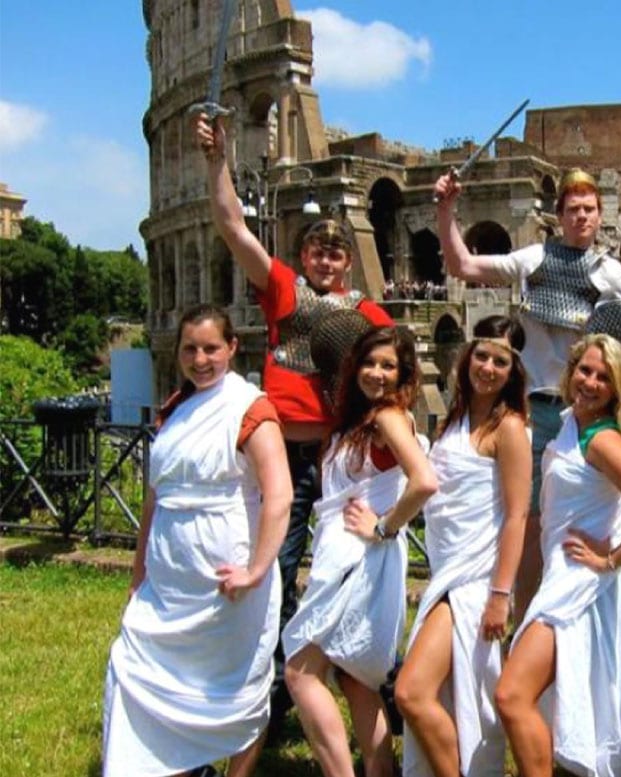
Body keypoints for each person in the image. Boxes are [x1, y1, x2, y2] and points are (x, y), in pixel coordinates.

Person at [196, 113, 394, 732]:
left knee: (346, 576)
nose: (328, 257)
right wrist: (218, 161)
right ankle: (269, 687)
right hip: (281, 458)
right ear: (303, 254)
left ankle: (371, 681)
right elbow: (233, 227)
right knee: (274, 570)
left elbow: (397, 376)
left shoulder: (366, 312)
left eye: (337, 250)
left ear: (348, 261)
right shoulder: (284, 290)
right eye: (317, 248)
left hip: (338, 463)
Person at [433, 168, 621, 615]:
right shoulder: (532, 260)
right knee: (525, 520)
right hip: (533, 408)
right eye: (573, 209)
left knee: (589, 516)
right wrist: (446, 210)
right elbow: (462, 265)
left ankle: (592, 610)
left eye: (589, 209)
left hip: (586, 410)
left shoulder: (609, 271)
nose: (581, 217)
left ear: (600, 217)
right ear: (559, 215)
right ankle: (522, 619)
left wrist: (606, 346)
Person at [103, 304, 291, 777]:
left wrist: (256, 570)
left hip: (227, 579)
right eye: (190, 348)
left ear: (232, 348)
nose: (200, 358)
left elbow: (279, 495)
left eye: (211, 348)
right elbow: (154, 499)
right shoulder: (176, 408)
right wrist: (138, 574)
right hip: (169, 581)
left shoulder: (251, 409)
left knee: (235, 693)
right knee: (134, 669)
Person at [493, 334, 621, 777]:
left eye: (603, 377)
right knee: (540, 699)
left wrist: (611, 558)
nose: (590, 382)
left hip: (579, 586)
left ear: (617, 389)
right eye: (585, 370)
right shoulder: (572, 423)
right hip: (563, 575)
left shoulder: (601, 439)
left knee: (512, 696)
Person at [281, 325, 437, 777]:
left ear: (404, 373)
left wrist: (384, 528)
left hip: (360, 556)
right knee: (356, 680)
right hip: (358, 556)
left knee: (300, 672)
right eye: (370, 363)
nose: (376, 373)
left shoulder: (388, 417)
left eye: (388, 365)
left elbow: (424, 481)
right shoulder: (362, 417)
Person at [398, 316, 532, 777]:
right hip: (445, 570)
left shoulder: (509, 428)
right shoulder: (454, 418)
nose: (488, 368)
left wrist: (500, 594)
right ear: (467, 356)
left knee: (412, 692)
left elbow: (517, 515)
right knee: (439, 695)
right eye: (482, 356)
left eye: (500, 361)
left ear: (513, 370)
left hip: (476, 579)